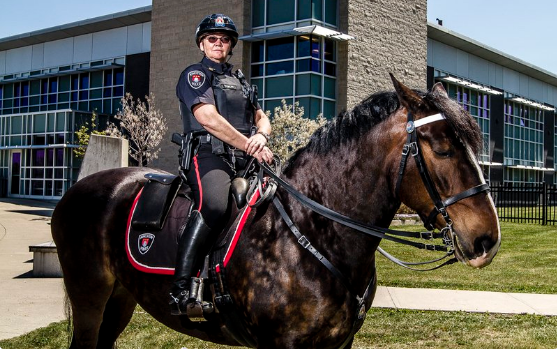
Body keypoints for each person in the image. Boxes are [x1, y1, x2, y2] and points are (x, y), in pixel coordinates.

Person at [169, 13, 273, 316]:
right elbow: (208, 118)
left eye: (224, 39)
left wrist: (262, 137)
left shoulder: (240, 80)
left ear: (230, 46)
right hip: (207, 156)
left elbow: (261, 117)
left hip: (245, 158)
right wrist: (248, 144)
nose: (218, 43)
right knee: (214, 204)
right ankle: (181, 288)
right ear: (202, 43)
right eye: (212, 38)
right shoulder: (195, 75)